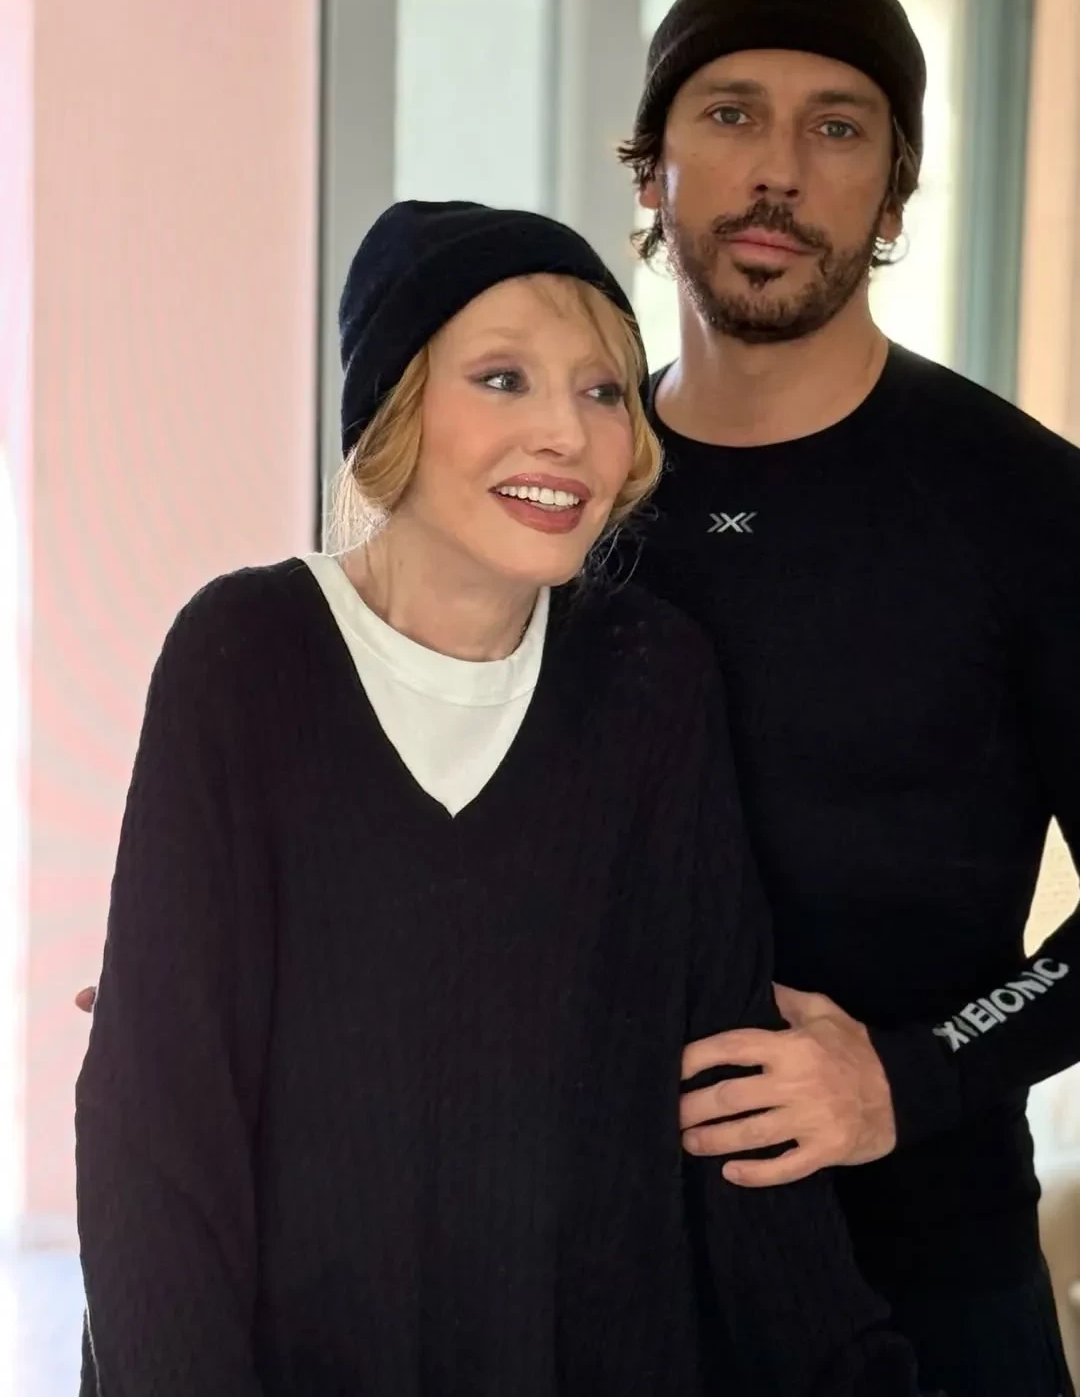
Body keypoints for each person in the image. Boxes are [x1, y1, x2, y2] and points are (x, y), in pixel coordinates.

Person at [75, 200, 924, 1396]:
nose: (567, 433)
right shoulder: (245, 656)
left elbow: (722, 1091)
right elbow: (154, 1137)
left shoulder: (651, 677)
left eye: (603, 391)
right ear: (394, 405)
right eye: (503, 379)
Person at [614, 0, 1080, 1394]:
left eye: (836, 127)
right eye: (731, 112)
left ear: (892, 195)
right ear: (652, 166)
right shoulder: (566, 499)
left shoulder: (1024, 505)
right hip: (608, 1278)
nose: (777, 170)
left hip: (931, 1288)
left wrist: (908, 1072)